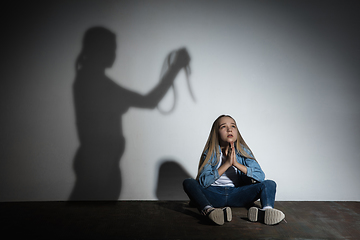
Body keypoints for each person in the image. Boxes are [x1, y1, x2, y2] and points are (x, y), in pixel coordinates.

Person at [183, 115, 285, 225]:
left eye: (233, 126)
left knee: (269, 183)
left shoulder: (243, 151)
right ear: (216, 133)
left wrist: (236, 164)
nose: (229, 129)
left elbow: (260, 176)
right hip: (214, 195)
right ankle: (209, 211)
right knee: (188, 182)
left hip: (237, 194)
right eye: (223, 127)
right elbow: (203, 182)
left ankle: (266, 211)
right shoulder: (210, 153)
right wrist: (226, 164)